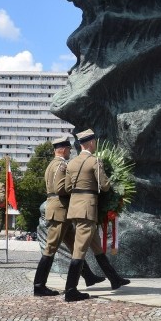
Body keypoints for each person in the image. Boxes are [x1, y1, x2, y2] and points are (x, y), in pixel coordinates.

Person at [33, 135, 105, 296]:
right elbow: (60, 189)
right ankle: (39, 285)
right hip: (60, 210)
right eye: (69, 150)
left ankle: (88, 276)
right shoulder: (60, 165)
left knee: (75, 247)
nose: (69, 153)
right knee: (50, 248)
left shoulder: (51, 165)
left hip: (59, 210)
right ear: (64, 149)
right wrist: (78, 188)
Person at [65, 129, 130, 302]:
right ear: (91, 143)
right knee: (80, 249)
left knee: (97, 248)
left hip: (75, 208)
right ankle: (70, 289)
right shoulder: (94, 161)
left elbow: (66, 188)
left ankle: (114, 280)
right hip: (88, 208)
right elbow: (105, 185)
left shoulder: (71, 163)